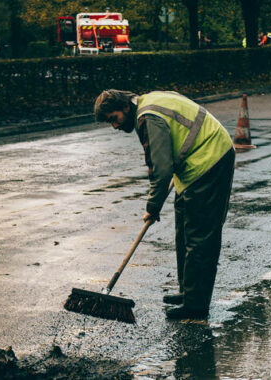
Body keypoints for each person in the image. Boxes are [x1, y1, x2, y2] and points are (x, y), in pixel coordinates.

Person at [93, 89, 236, 320]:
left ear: (125, 108)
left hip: (209, 159)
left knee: (199, 237)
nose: (115, 126)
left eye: (114, 119)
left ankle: (196, 305)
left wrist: (152, 207)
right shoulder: (149, 101)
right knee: (183, 231)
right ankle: (188, 291)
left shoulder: (148, 118)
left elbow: (160, 170)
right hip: (193, 164)